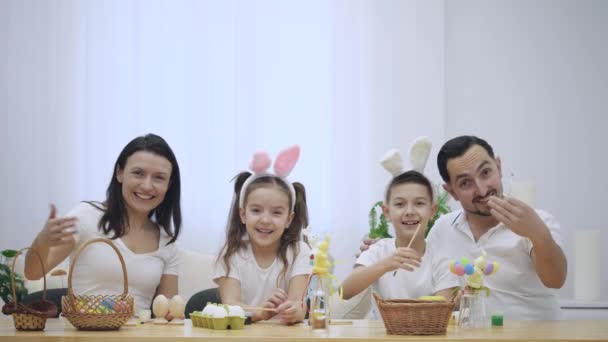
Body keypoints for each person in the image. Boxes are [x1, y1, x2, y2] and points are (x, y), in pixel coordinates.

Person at [24, 133, 182, 319]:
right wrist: (43, 241)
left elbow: (167, 313)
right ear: (120, 173)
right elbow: (33, 273)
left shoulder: (167, 242)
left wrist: (173, 316)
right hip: (84, 335)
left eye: (159, 178)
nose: (147, 186)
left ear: (169, 184)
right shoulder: (85, 217)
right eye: (138, 173)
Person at [426, 135, 567, 319]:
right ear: (452, 192)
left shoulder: (538, 221)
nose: (483, 190)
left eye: (485, 173)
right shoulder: (442, 229)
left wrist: (537, 234)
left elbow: (555, 280)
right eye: (465, 183)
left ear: (498, 167)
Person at [213, 145, 311, 324]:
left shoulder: (300, 251)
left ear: (289, 219)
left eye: (276, 213)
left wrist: (294, 311)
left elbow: (299, 305)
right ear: (243, 214)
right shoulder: (231, 252)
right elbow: (230, 306)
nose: (265, 220)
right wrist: (262, 313)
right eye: (256, 210)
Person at [342, 170, 457, 302]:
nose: (409, 211)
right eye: (399, 204)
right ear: (387, 212)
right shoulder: (378, 250)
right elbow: (344, 292)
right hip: (383, 324)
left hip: (428, 323)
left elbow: (444, 306)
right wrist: (385, 265)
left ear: (432, 211)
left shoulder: (441, 257)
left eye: (419, 203)